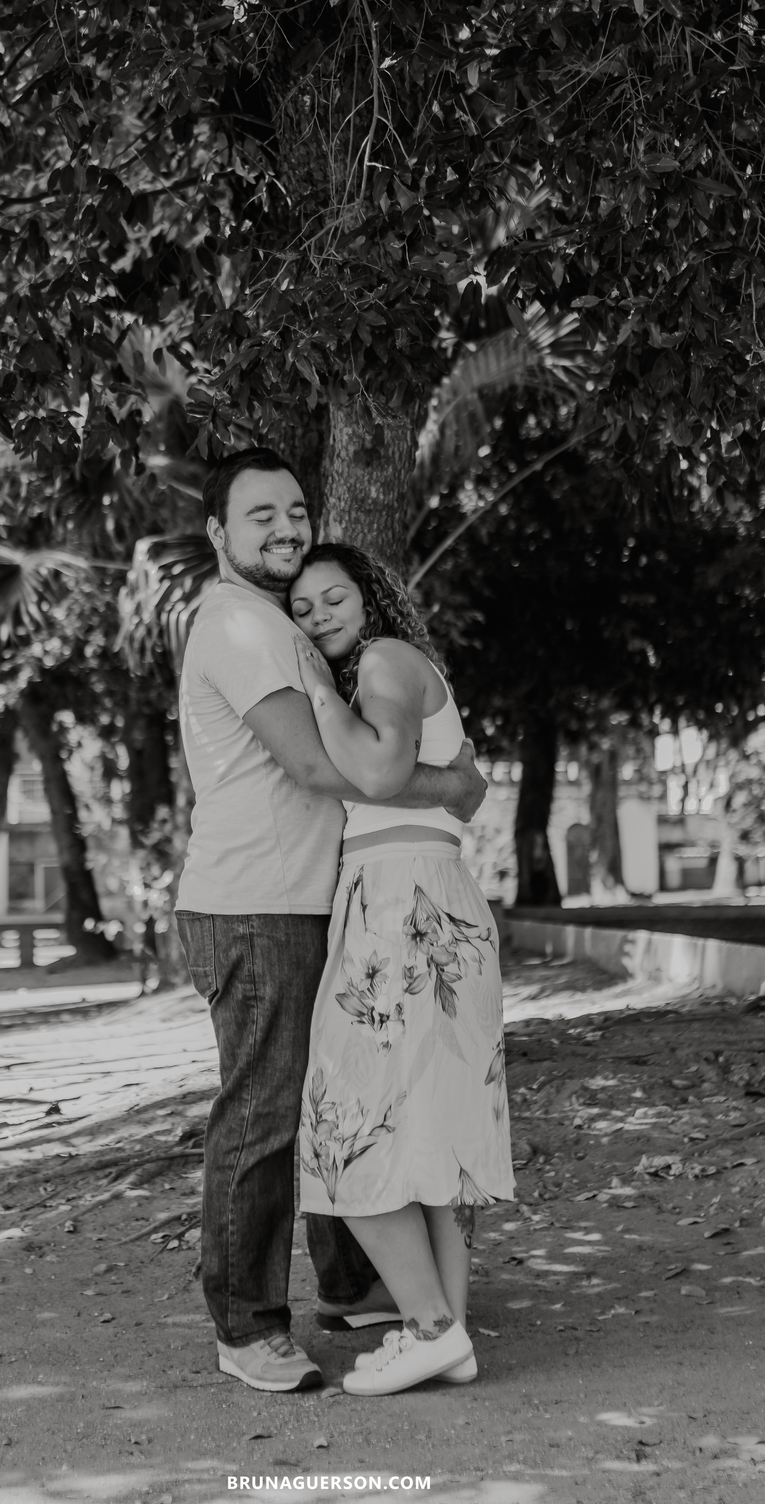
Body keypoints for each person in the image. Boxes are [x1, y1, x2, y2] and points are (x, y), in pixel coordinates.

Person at [175, 449, 488, 1394]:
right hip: (256, 904)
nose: (285, 526)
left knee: (338, 1103)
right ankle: (247, 1326)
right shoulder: (238, 624)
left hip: (321, 898)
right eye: (259, 514)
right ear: (218, 534)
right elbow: (318, 767)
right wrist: (452, 788)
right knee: (268, 1116)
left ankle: (355, 1288)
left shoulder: (286, 623)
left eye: (295, 509)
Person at [290, 544, 514, 1396]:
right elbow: (431, 780)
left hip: (400, 904)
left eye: (333, 598)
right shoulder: (394, 668)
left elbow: (381, 769)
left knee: (343, 1128)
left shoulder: (383, 659)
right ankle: (448, 1335)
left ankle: (427, 1328)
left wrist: (315, 683)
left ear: (371, 595)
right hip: (424, 898)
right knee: (429, 1139)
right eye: (302, 609)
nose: (318, 616)